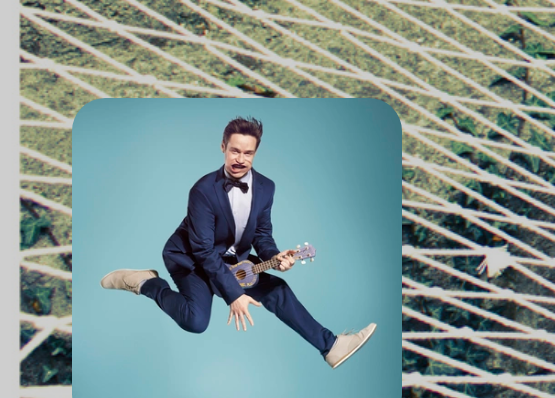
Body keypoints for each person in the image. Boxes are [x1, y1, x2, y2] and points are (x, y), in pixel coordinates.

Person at [100, 116, 378, 369]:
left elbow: (262, 234)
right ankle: (147, 283)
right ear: (223, 147)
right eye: (235, 151)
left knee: (278, 290)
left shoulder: (266, 187)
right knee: (195, 322)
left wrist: (275, 257)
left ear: (255, 152)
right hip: (191, 259)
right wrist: (234, 295)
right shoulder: (202, 191)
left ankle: (331, 346)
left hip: (232, 260)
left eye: (248, 153)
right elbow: (203, 251)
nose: (240, 159)